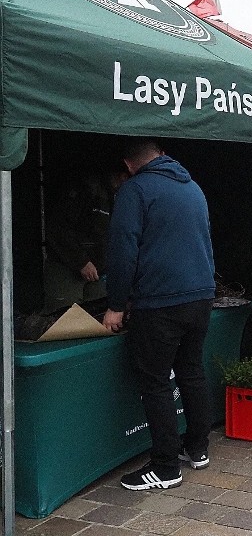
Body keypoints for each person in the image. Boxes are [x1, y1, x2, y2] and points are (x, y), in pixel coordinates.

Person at [102, 139, 215, 491]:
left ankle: (166, 467)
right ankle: (197, 448)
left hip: (160, 302)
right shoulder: (193, 187)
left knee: (155, 383)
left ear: (129, 164)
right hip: (200, 296)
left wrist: (116, 304)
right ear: (163, 155)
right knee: (191, 371)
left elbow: (122, 249)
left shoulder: (135, 190)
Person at [42, 166, 128, 314]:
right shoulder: (87, 188)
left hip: (99, 272)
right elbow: (58, 228)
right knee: (64, 319)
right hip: (66, 267)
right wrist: (81, 262)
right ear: (124, 176)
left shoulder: (119, 198)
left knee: (98, 317)